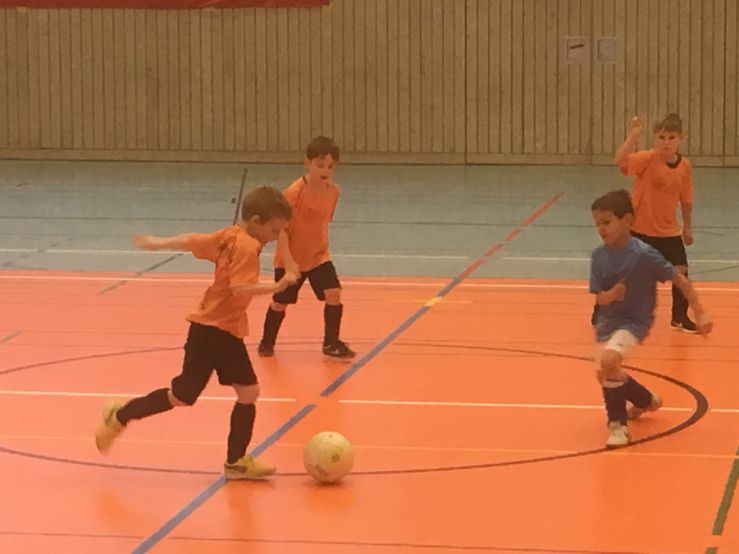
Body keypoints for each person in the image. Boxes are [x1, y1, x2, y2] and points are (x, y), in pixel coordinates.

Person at [94, 186, 297, 480]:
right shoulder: (246, 247)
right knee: (183, 395)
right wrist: (277, 286)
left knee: (247, 392)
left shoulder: (229, 235)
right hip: (211, 332)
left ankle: (236, 462)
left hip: (225, 330)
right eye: (274, 230)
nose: (276, 237)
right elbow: (240, 288)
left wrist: (159, 243)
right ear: (256, 221)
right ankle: (120, 415)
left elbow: (192, 240)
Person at [589, 189, 712, 448]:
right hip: (608, 323)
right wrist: (610, 295)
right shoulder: (598, 257)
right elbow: (599, 298)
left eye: (607, 222)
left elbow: (680, 280)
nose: (601, 229)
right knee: (607, 373)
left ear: (627, 221)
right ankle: (645, 400)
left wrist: (700, 312)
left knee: (610, 361)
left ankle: (618, 426)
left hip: (634, 321)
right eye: (597, 224)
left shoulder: (644, 254)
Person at [258, 135, 356, 359]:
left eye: (330, 166)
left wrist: (322, 249)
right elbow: (281, 230)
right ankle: (266, 342)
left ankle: (331, 343)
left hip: (318, 256)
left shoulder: (334, 192)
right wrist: (289, 262)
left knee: (334, 292)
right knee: (280, 303)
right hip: (291, 258)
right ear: (307, 163)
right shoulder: (295, 192)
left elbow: (322, 223)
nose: (325, 170)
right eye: (320, 165)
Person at [615, 113, 697, 332]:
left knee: (681, 275)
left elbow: (686, 200)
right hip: (640, 230)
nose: (666, 142)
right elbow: (621, 160)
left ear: (680, 139)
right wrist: (633, 136)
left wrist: (687, 227)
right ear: (654, 139)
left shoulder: (684, 166)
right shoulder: (647, 159)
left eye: (671, 137)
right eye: (661, 137)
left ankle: (679, 317)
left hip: (668, 232)